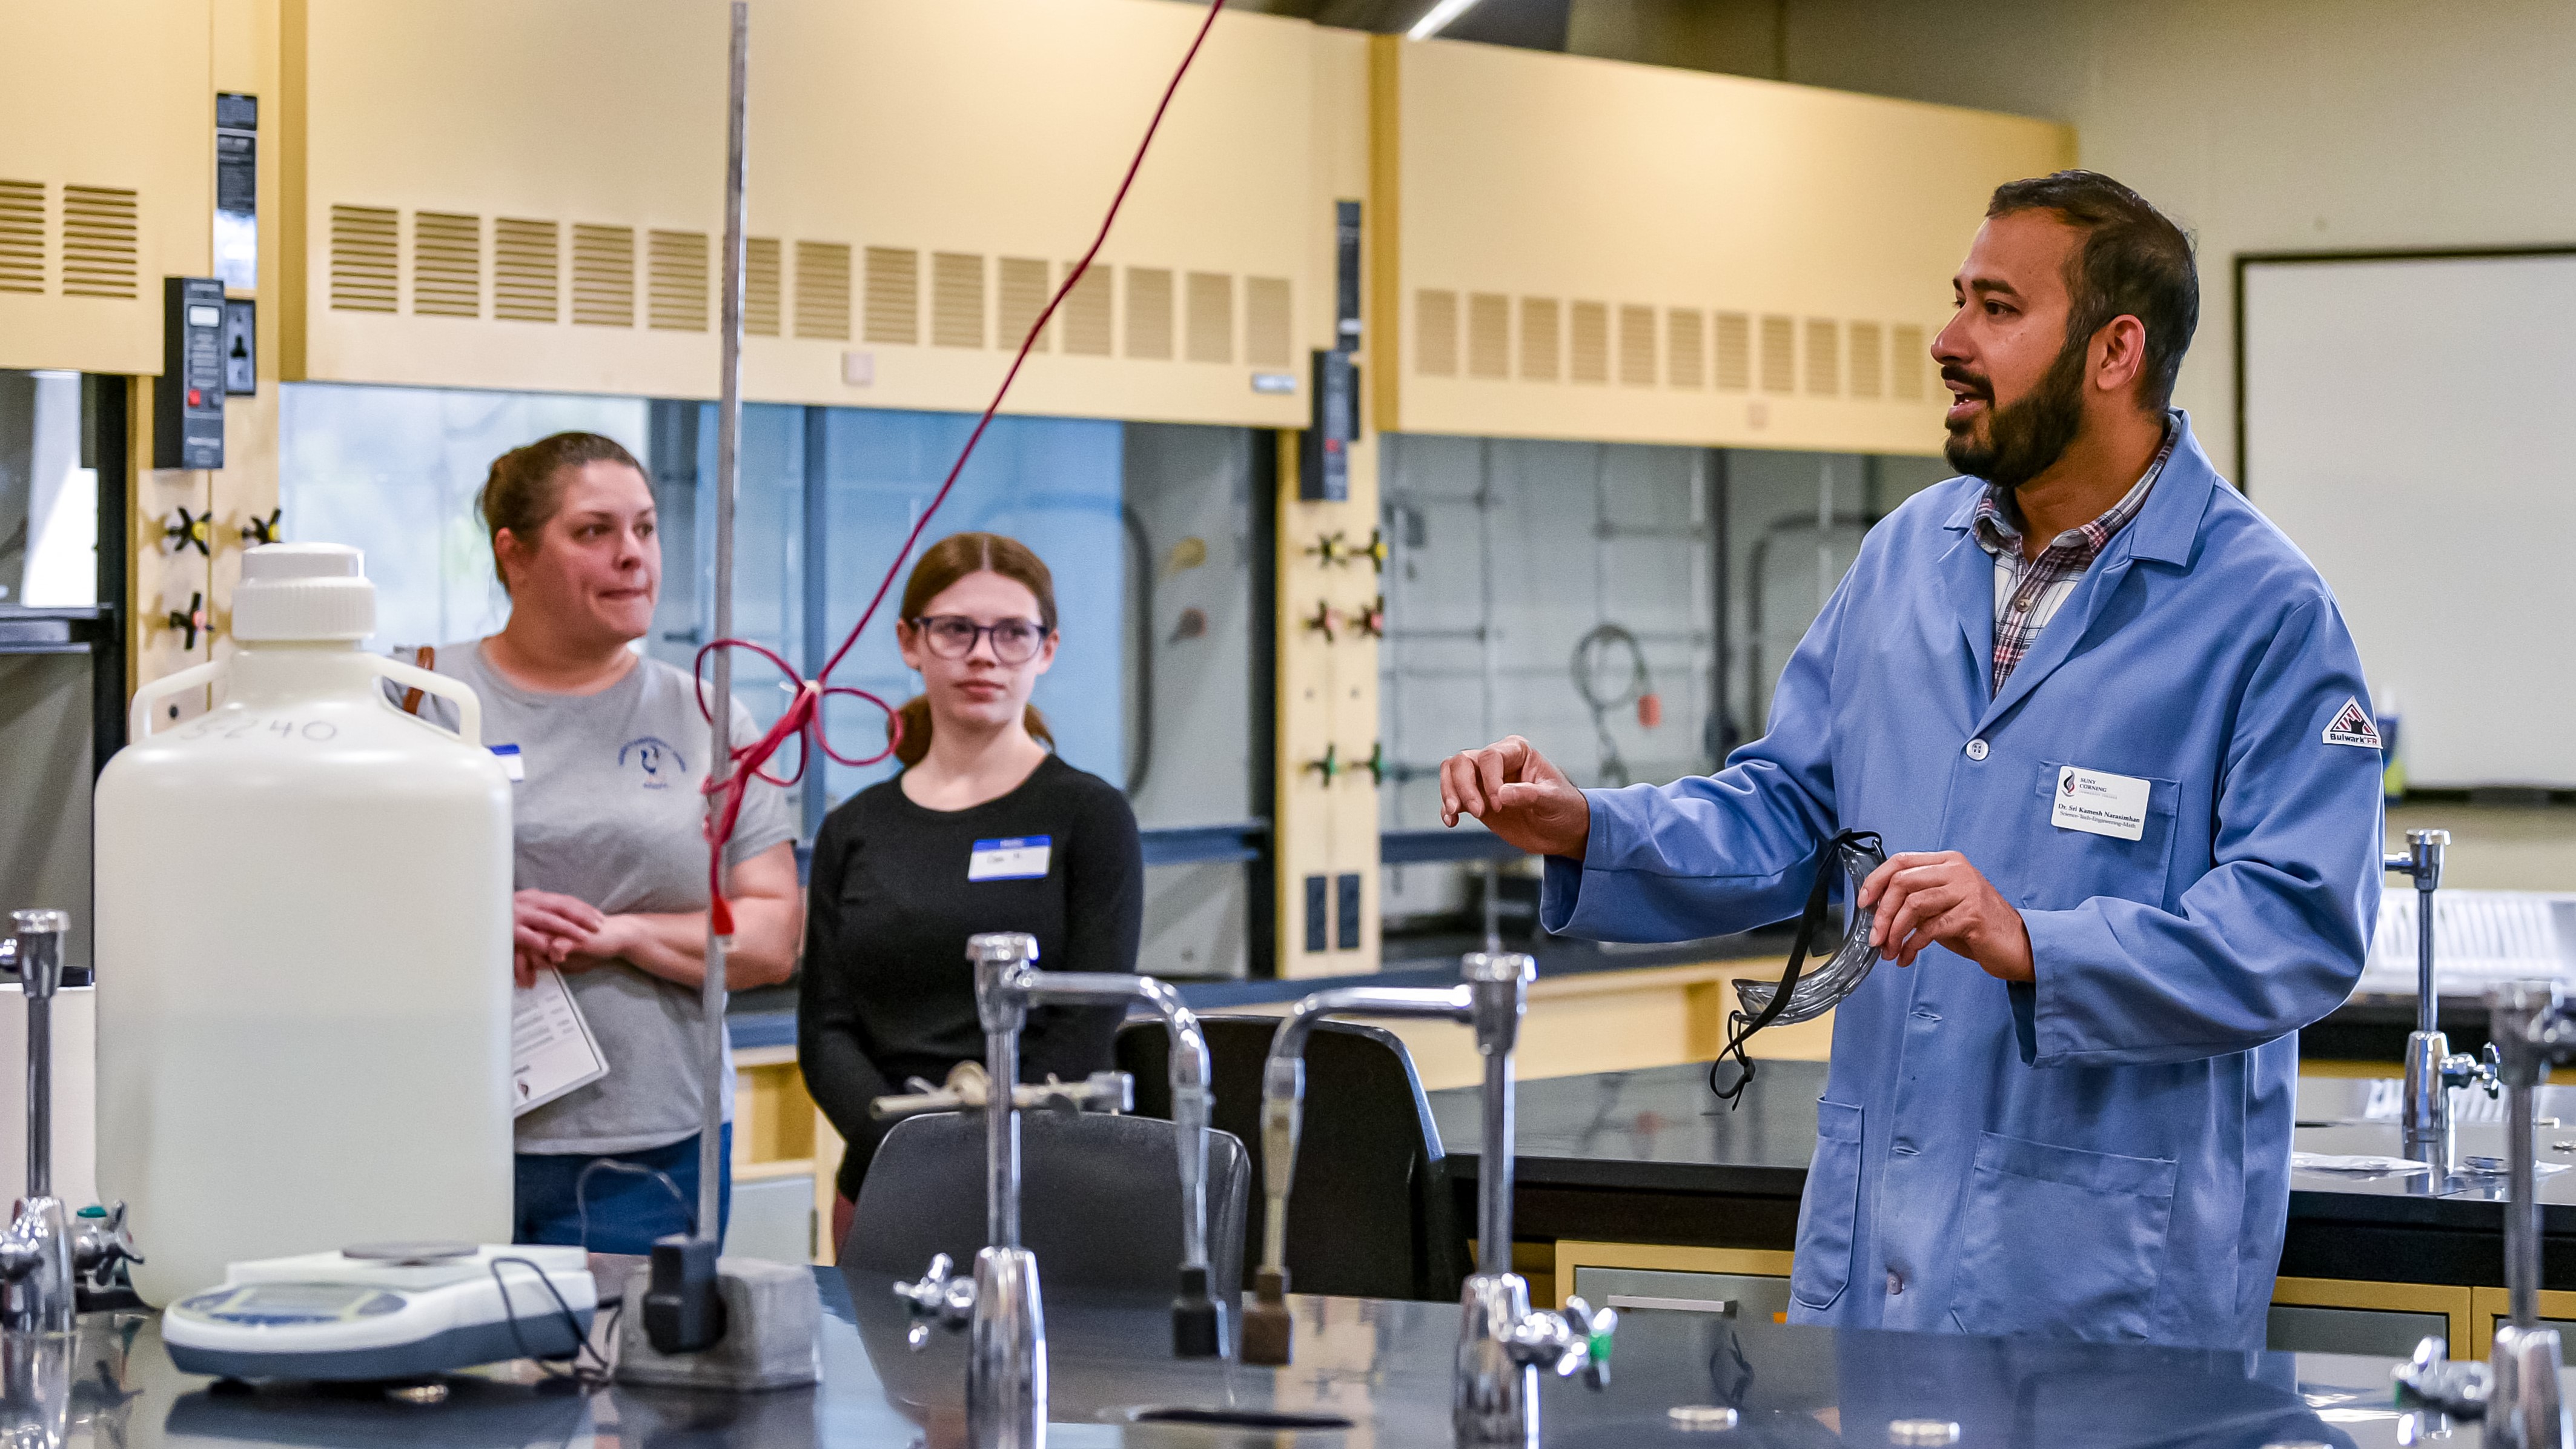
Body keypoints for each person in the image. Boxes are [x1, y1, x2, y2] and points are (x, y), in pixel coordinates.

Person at [1438, 171, 2381, 1350]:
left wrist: (2034, 938)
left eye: (1994, 306)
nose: (1946, 341)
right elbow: (1790, 817)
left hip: (2104, 1287)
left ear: (2112, 349)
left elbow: (2296, 926)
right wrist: (1591, 826)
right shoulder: (1902, 560)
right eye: (1956, 301)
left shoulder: (2263, 612)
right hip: (1878, 1258)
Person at [408, 431, 803, 1252]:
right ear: (514, 555)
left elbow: (770, 938)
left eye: (646, 530)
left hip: (653, 1150)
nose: (633, 557)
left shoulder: (708, 716)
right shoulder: (418, 701)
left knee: (628, 1376)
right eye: (595, 532)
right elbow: (332, 902)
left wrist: (622, 937)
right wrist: (473, 921)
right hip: (441, 1135)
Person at [798, 532, 1144, 1256]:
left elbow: (1086, 1019)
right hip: (882, 1179)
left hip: (1041, 1182)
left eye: (1012, 633)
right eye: (955, 629)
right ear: (909, 641)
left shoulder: (1088, 816)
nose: (983, 654)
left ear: (1046, 649)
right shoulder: (853, 829)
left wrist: (982, 1135)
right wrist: (893, 1137)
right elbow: (826, 1029)